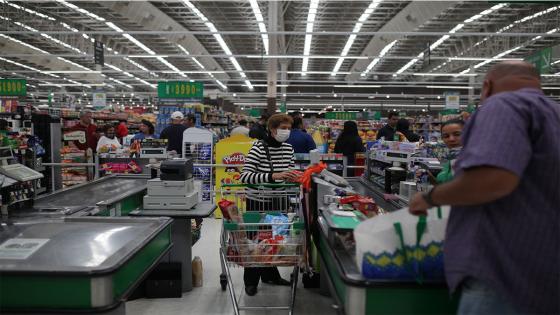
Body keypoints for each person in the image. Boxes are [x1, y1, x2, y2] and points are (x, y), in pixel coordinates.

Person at [409, 61, 560, 315]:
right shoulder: (554, 113)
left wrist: (430, 197)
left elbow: (493, 178)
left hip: (502, 273)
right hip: (545, 275)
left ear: (487, 86)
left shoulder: (503, 105)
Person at [239, 113, 299, 297]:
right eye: (283, 128)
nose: (286, 132)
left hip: (278, 200)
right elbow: (245, 176)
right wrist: (273, 176)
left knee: (275, 239)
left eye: (288, 128)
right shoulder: (258, 148)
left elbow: (289, 170)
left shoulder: (288, 148)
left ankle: (270, 275)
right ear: (272, 129)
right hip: (258, 201)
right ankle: (250, 281)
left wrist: (296, 176)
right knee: (257, 242)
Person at [420, 119, 465, 185]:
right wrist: (430, 177)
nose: (451, 139)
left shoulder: (474, 161)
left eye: (457, 134)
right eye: (446, 136)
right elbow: (445, 187)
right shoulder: (451, 158)